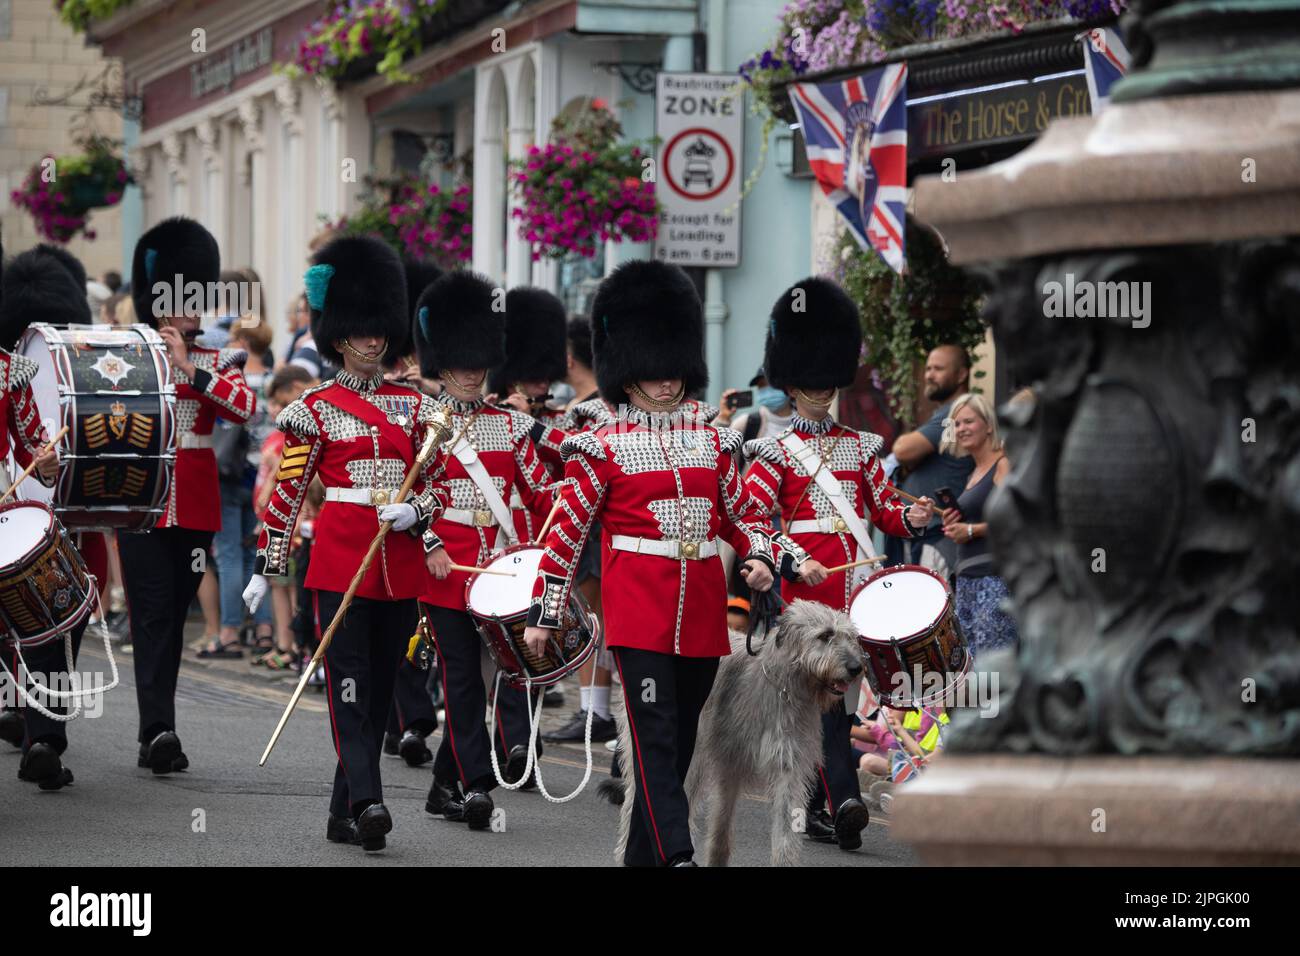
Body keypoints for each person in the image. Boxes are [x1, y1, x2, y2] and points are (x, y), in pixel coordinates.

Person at [522, 260, 806, 867]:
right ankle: (680, 856)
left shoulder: (713, 437)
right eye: (653, 371)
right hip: (638, 611)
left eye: (674, 368)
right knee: (652, 739)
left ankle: (644, 860)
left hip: (701, 611)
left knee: (676, 749)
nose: (667, 381)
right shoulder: (597, 445)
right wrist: (545, 611)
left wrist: (761, 557)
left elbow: (739, 515)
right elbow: (566, 536)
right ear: (628, 373)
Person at [243, 235, 450, 851]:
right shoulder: (313, 409)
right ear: (339, 336)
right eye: (361, 332)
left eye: (378, 330)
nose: (373, 341)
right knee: (349, 689)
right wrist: (265, 563)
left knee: (380, 690)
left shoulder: (416, 407)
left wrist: (418, 510)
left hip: (397, 563)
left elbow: (437, 485)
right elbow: (288, 490)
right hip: (339, 560)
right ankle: (368, 801)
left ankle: (341, 811)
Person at [742, 277, 934, 852]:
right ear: (793, 385)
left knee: (837, 702)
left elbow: (885, 510)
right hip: (805, 604)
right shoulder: (772, 450)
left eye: (827, 381)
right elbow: (754, 521)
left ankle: (821, 805)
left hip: (851, 593)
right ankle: (844, 799)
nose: (820, 392)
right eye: (810, 383)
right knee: (820, 702)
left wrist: (916, 516)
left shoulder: (860, 446)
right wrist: (795, 560)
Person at [412, 270, 555, 829]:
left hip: (498, 572)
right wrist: (428, 541)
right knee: (462, 680)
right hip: (445, 568)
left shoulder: (513, 427)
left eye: (478, 363)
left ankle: (444, 784)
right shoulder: (421, 422)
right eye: (460, 364)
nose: (471, 373)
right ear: (440, 366)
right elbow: (407, 495)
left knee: (502, 675)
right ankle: (475, 785)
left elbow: (540, 494)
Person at [120, 216, 257, 775]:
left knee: (174, 615)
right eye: (184, 298)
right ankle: (158, 729)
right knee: (151, 613)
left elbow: (245, 409)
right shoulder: (127, 353)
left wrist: (188, 370)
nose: (196, 309)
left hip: (195, 501)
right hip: (141, 498)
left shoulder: (218, 360)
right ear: (160, 302)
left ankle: (157, 726)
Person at [0, 248, 83, 788]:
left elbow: (33, 441)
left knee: (41, 617)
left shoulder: (10, 370)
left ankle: (45, 737)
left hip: (4, 503)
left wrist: (47, 463)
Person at [544, 314, 617, 744]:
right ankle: (594, 709)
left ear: (569, 359)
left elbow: (568, 458)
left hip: (593, 525)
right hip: (597, 523)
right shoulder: (590, 405)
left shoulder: (589, 410)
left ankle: (596, 710)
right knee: (596, 617)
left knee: (593, 617)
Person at [199, 316, 276, 657]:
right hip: (266, 480)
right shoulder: (275, 380)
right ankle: (263, 629)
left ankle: (229, 631)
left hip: (230, 474)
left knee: (228, 554)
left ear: (243, 343)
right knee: (256, 555)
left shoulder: (234, 381)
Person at [939, 392, 1018, 656]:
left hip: (994, 579)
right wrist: (954, 523)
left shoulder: (1003, 464)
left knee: (991, 671)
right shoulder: (974, 472)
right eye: (957, 424)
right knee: (973, 670)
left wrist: (971, 530)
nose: (961, 429)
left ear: (988, 424)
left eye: (968, 421)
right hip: (967, 581)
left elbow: (1014, 519)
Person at [489, 286, 570, 542]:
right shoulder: (490, 415)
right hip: (499, 535)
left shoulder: (559, 419)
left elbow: (573, 452)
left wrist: (530, 425)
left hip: (545, 535)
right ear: (513, 379)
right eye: (536, 377)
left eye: (547, 377)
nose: (544, 384)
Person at [252, 364, 316, 671]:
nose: (279, 411)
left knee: (294, 590)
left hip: (302, 528)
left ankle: (298, 647)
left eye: (282, 403)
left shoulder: (313, 412)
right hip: (283, 526)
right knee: (282, 585)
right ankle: (287, 645)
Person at [889, 345, 975, 572]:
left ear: (961, 374)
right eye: (928, 368)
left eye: (938, 368)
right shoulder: (945, 412)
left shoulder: (958, 412)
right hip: (926, 536)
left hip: (939, 538)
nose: (929, 375)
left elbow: (902, 450)